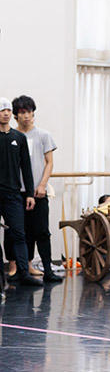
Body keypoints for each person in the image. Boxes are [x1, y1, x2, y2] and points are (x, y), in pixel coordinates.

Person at [3, 96, 60, 283]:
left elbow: (49, 163)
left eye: (29, 112)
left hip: (37, 191)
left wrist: (42, 185)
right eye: (21, 112)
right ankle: (19, 268)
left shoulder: (43, 135)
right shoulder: (12, 135)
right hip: (13, 191)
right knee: (17, 231)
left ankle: (47, 268)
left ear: (33, 113)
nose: (26, 116)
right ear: (15, 116)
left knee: (42, 231)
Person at [0, 97, 42, 287]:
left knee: (19, 233)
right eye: (2, 110)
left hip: (13, 194)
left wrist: (31, 195)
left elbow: (26, 168)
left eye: (8, 110)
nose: (6, 113)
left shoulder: (19, 138)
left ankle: (23, 273)